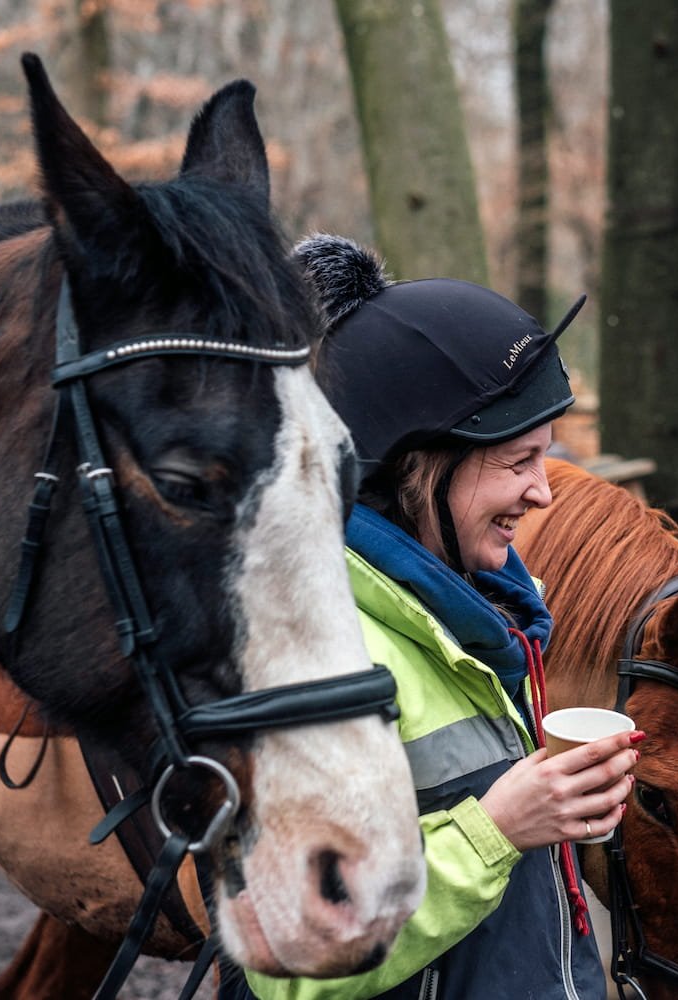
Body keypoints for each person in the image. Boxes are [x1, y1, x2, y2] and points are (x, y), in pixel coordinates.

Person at [241, 235, 638, 999]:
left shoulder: (480, 617)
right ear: (415, 468)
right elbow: (290, 969)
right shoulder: (323, 655)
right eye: (518, 462)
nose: (544, 493)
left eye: (545, 460)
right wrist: (495, 832)